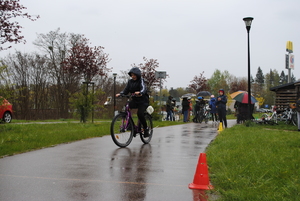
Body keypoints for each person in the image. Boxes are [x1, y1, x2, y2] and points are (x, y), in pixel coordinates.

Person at [116, 67, 150, 137]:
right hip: (135, 100)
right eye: (132, 75)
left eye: (134, 75)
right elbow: (126, 90)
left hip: (143, 101)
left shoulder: (141, 80)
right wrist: (121, 93)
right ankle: (130, 125)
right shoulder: (130, 82)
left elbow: (143, 88)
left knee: (140, 114)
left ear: (138, 75)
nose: (133, 76)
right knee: (127, 107)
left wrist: (140, 92)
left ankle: (146, 129)